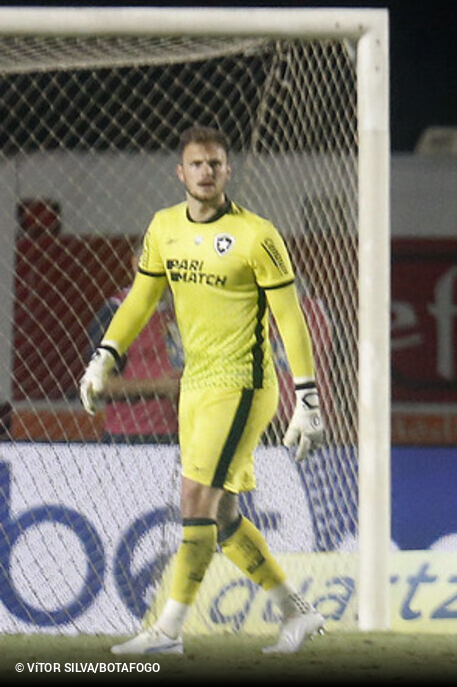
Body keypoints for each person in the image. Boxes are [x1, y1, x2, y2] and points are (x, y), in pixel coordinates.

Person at [79, 126, 328, 654]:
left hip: (243, 385)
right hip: (196, 386)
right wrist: (106, 356)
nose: (207, 172)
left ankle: (168, 629)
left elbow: (290, 317)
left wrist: (306, 395)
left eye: (216, 163)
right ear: (181, 172)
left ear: (227, 170)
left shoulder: (257, 235)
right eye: (197, 164)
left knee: (194, 497)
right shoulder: (164, 227)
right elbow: (140, 300)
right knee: (223, 515)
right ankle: (295, 612)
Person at [85, 246, 183, 443]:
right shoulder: (117, 311)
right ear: (134, 264)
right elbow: (98, 384)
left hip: (180, 435)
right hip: (130, 436)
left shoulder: (180, 311)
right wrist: (158, 387)